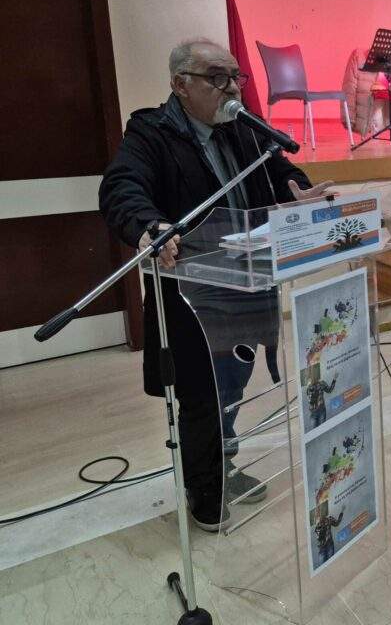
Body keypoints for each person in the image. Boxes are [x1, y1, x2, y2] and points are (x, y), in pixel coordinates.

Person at [99, 39, 333, 532]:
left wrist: (297, 188)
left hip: (246, 284)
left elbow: (279, 169)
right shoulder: (151, 131)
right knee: (202, 393)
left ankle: (223, 463)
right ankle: (203, 488)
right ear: (180, 85)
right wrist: (149, 225)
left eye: (235, 77)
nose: (231, 88)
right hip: (192, 292)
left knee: (232, 386)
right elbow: (122, 187)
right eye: (217, 78)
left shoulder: (243, 128)